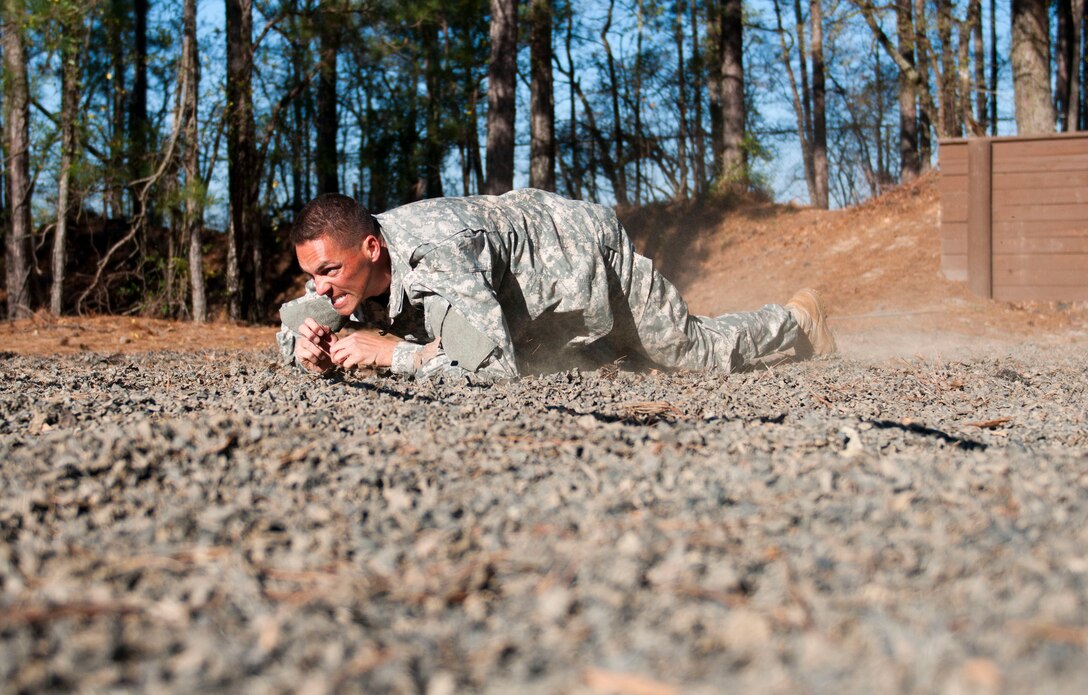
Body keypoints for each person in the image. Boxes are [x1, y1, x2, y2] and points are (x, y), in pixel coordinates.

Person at [276, 189, 836, 380]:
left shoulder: (436, 260)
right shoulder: (344, 270)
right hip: (536, 300)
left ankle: (797, 318)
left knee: (690, 353)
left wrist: (394, 353)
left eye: (328, 273)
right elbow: (296, 323)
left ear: (371, 250)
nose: (319, 289)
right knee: (620, 362)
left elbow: (493, 372)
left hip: (586, 254)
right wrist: (305, 346)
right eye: (312, 277)